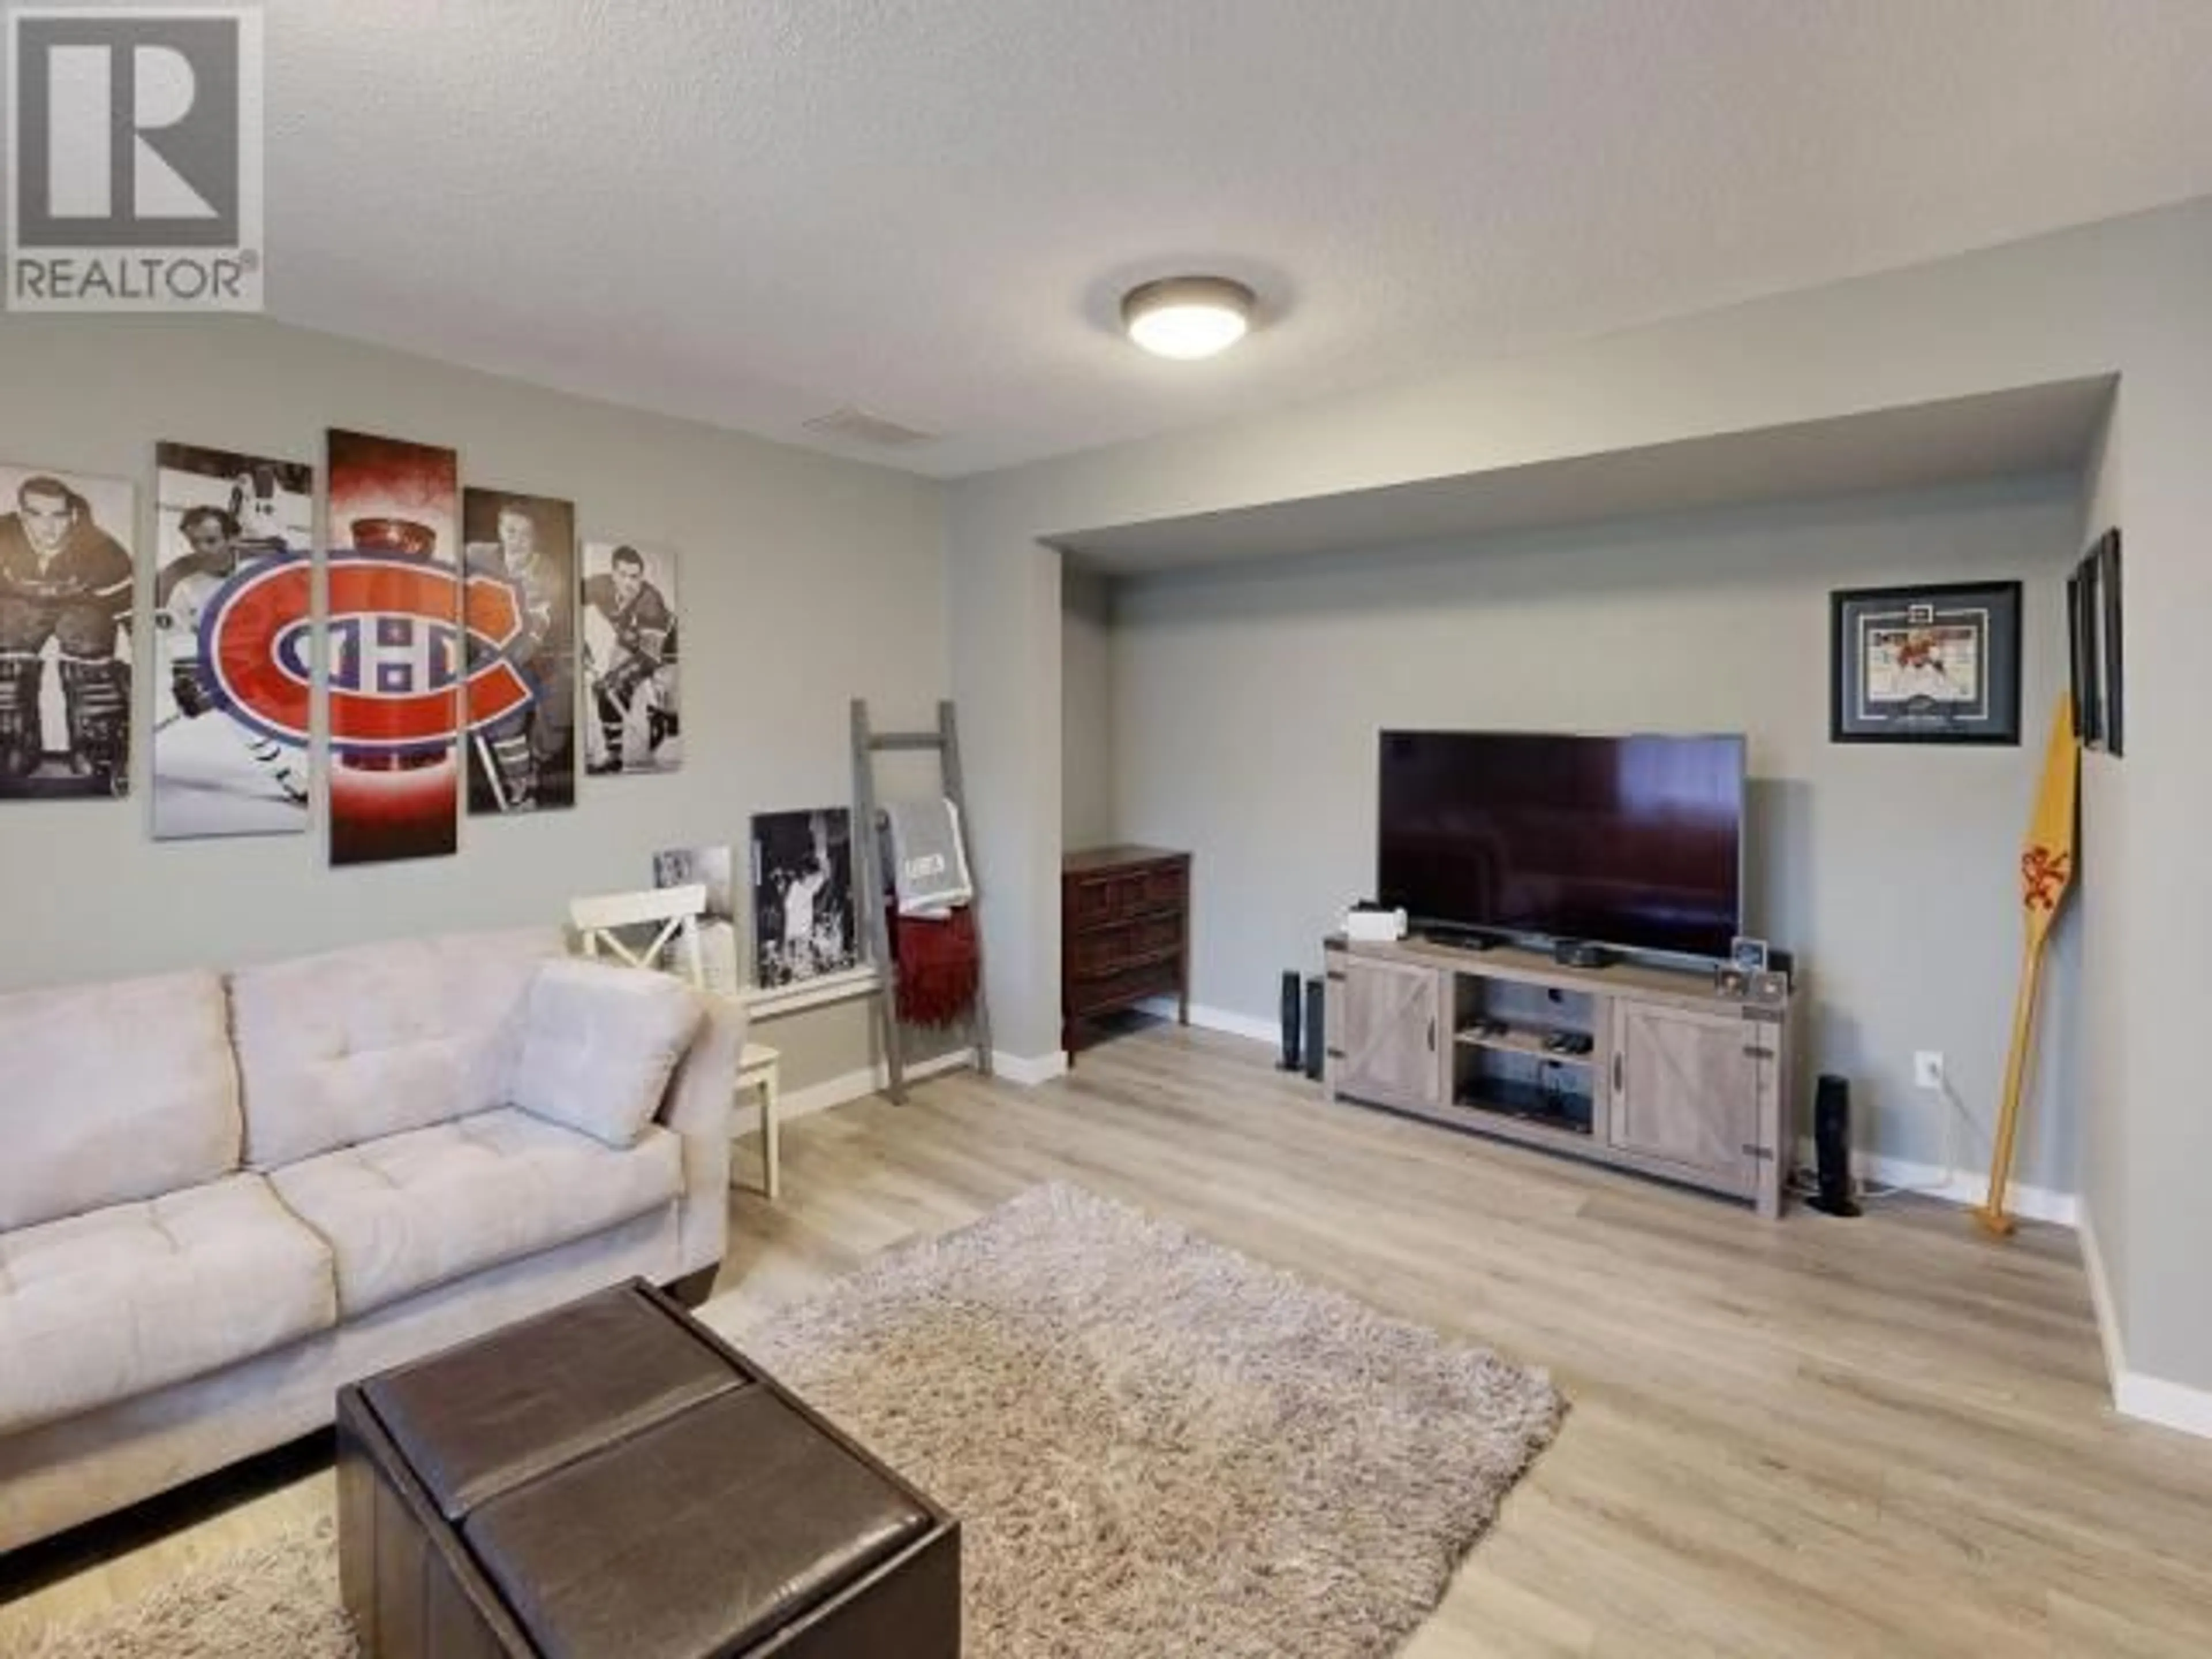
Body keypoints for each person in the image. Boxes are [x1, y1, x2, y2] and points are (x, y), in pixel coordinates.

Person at [154, 504, 307, 804]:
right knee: (241, 714)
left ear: (232, 539)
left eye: (211, 541)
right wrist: (187, 682)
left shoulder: (262, 571)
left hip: (273, 658)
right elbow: (178, 638)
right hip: (227, 666)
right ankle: (285, 774)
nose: (202, 550)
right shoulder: (184, 588)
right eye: (195, 543)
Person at [0, 475, 132, 789]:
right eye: (37, 514)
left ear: (72, 514)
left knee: (92, 666)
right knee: (7, 664)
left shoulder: (104, 552)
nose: (49, 527)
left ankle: (95, 747)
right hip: (16, 606)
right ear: (21, 514)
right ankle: (11, 744)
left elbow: (131, 613)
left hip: (84, 606)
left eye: (58, 516)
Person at [465, 501, 573, 808]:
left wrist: (502, 665)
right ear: (500, 530)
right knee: (502, 715)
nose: (518, 540)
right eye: (511, 531)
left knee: (556, 731)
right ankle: (521, 786)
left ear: (535, 537)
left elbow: (536, 632)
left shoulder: (548, 575)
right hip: (495, 652)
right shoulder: (476, 554)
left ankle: (535, 761)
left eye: (526, 534)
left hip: (546, 655)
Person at [581, 544, 677, 773]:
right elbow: (566, 601)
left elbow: (649, 656)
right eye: (622, 575)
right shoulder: (598, 585)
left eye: (635, 576)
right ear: (613, 574)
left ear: (642, 576)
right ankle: (614, 756)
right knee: (607, 691)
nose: (628, 583)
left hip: (664, 646)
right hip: (630, 639)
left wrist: (616, 681)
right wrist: (577, 639)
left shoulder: (651, 601)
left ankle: (661, 717)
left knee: (663, 700)